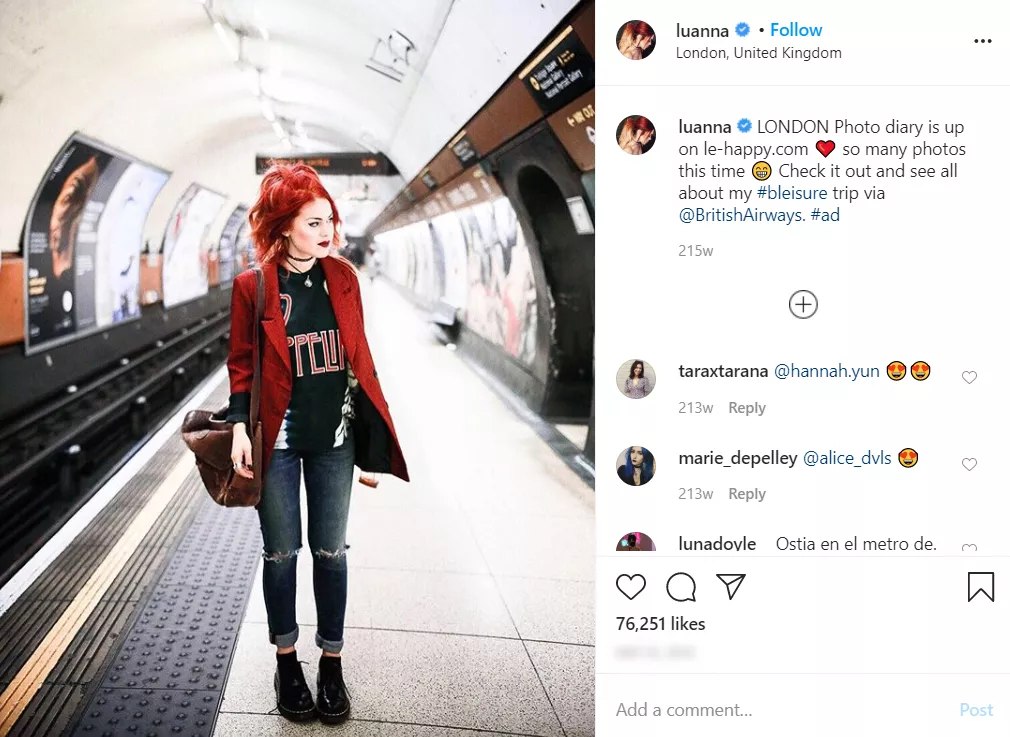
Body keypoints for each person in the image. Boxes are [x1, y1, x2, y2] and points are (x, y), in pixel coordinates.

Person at [226, 163, 409, 724]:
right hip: (276, 441)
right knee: (281, 554)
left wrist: (370, 443)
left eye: (330, 218)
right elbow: (241, 367)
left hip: (335, 440)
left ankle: (331, 661)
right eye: (313, 221)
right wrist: (238, 426)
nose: (327, 230)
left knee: (331, 552)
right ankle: (287, 661)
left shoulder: (343, 278)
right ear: (283, 228)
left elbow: (361, 362)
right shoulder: (253, 288)